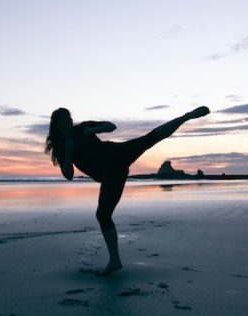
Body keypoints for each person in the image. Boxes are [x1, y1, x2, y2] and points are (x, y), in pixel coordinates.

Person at [45, 106, 210, 275]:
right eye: (64, 119)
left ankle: (186, 116)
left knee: (149, 139)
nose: (69, 121)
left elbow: (111, 126)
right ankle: (115, 261)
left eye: (69, 117)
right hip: (111, 176)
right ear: (57, 124)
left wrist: (94, 130)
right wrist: (69, 152)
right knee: (103, 215)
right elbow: (69, 175)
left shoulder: (82, 128)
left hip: (117, 155)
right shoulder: (59, 146)